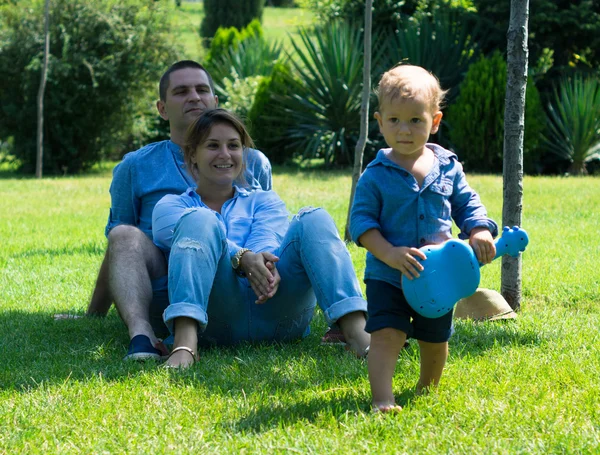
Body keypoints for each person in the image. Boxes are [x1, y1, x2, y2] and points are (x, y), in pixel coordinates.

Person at [152, 108, 370, 368]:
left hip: (278, 313)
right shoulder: (170, 206)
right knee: (200, 219)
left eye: (233, 146)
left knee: (314, 217)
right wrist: (241, 258)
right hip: (214, 318)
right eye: (212, 146)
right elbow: (178, 235)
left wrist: (260, 264)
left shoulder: (265, 200)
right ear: (192, 156)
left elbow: (268, 237)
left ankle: (359, 335)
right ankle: (185, 346)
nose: (225, 154)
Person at [86, 60, 273, 360]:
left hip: (237, 287)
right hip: (164, 291)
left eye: (202, 90)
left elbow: (267, 228)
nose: (194, 97)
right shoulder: (136, 166)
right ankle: (142, 336)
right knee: (124, 233)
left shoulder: (254, 162)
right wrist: (93, 314)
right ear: (162, 109)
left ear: (215, 101)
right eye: (181, 91)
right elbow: (118, 247)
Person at [349, 64, 498, 413]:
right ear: (380, 121)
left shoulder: (447, 166)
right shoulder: (375, 175)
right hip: (388, 275)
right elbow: (362, 224)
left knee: (435, 339)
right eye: (395, 120)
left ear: (435, 121)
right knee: (388, 334)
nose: (404, 130)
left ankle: (426, 389)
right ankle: (382, 398)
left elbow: (466, 203)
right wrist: (389, 253)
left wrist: (479, 229)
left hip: (438, 279)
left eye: (416, 120)